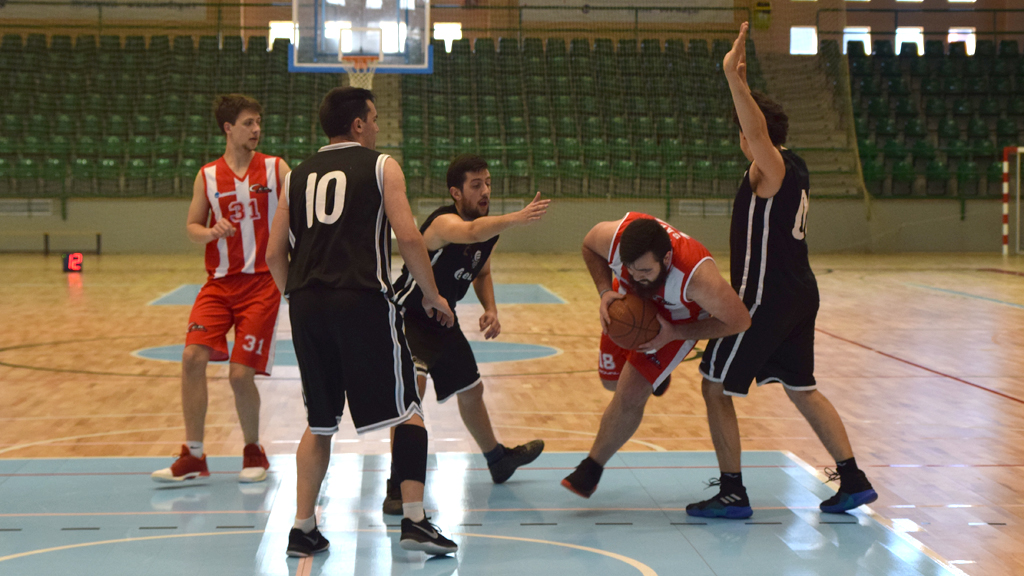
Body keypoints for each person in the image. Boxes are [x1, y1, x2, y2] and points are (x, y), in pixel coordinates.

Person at [689, 22, 877, 519]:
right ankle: (853, 479)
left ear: (756, 136)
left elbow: (756, 134)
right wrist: (745, 88)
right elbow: (759, 132)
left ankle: (732, 492)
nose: (743, 137)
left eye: (746, 131)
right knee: (802, 387)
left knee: (714, 385)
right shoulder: (797, 165)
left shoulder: (769, 169)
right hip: (799, 294)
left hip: (764, 299)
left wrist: (734, 79)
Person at [266, 87, 458, 558]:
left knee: (320, 422)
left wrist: (297, 296)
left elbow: (273, 253)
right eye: (372, 119)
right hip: (361, 299)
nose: (376, 127)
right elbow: (408, 236)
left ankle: (303, 528)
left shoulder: (295, 175)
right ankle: (415, 520)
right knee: (408, 409)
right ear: (357, 124)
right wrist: (432, 294)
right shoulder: (382, 166)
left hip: (305, 304)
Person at [382, 154, 549, 515]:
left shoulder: (488, 232)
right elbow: (471, 233)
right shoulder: (444, 223)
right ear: (456, 192)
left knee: (472, 390)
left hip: (443, 319)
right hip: (409, 316)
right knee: (413, 396)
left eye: (488, 183)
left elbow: (482, 272)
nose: (485, 190)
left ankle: (497, 460)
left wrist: (491, 308)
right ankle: (397, 484)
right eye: (476, 185)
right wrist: (518, 217)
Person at [561, 213, 752, 498]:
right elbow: (589, 245)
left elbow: (739, 321)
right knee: (610, 382)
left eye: (645, 271)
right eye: (631, 270)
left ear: (666, 259)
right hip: (631, 307)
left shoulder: (696, 277)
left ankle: (591, 469)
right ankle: (657, 379)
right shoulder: (614, 238)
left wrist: (675, 333)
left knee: (629, 394)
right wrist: (604, 291)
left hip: (674, 322)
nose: (638, 277)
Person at [153, 94, 288, 484]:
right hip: (219, 284)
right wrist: (210, 232)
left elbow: (301, 213)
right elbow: (192, 227)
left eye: (258, 121)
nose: (256, 129)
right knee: (192, 358)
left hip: (262, 284)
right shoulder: (208, 175)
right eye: (248, 123)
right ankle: (193, 455)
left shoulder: (277, 169)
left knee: (240, 375)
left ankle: (253, 451)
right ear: (228, 128)